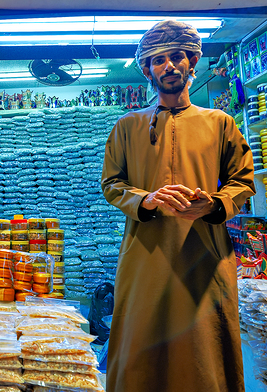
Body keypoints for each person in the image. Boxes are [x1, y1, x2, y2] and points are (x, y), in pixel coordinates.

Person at [101, 20, 255, 392]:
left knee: (203, 352)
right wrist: (145, 199)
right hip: (144, 256)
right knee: (141, 351)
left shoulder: (220, 123)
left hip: (203, 256)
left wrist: (214, 205)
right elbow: (111, 184)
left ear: (192, 62)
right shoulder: (127, 127)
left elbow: (243, 182)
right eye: (158, 60)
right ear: (147, 70)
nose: (168, 65)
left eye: (176, 57)